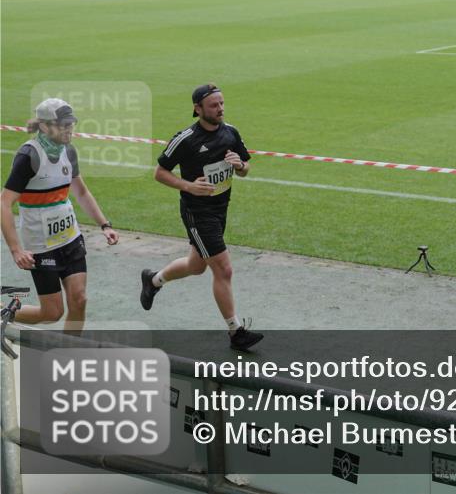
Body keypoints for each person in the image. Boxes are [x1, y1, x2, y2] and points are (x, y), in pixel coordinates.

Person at [139, 84, 262, 351]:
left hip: (221, 209)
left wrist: (240, 165)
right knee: (223, 268)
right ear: (198, 109)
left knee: (196, 266)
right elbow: (159, 173)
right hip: (197, 212)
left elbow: (246, 168)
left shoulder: (230, 133)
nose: (220, 109)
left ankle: (153, 280)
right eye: (213, 105)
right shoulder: (185, 140)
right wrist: (189, 186)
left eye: (221, 104)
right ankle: (235, 332)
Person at [1, 98, 119, 333]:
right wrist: (16, 250)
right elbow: (4, 203)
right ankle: (4, 312)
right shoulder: (29, 157)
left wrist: (104, 224)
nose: (69, 129)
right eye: (62, 125)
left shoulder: (69, 151)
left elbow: (81, 192)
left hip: (70, 237)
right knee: (52, 312)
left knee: (80, 300)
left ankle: (69, 356)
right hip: (41, 245)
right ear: (44, 127)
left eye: (70, 124)